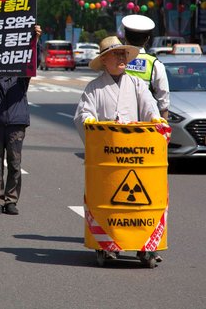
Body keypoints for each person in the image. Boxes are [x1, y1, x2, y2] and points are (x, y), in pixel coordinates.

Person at [73, 36, 166, 262]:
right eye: (116, 54)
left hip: (136, 155)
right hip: (109, 156)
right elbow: (83, 113)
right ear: (105, 60)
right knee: (110, 200)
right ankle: (107, 244)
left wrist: (155, 118)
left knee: (140, 203)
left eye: (124, 54)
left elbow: (149, 107)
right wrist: (89, 122)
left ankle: (145, 245)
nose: (122, 58)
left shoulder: (136, 84)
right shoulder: (94, 87)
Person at [0, 25, 42, 215]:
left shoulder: (21, 75)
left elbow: (34, 62)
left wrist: (35, 40)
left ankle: (11, 200)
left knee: (14, 163)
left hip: (16, 123)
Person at [122, 15, 170, 119]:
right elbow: (163, 104)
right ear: (147, 39)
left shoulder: (114, 60)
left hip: (117, 126)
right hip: (146, 128)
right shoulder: (155, 64)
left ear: (125, 36)